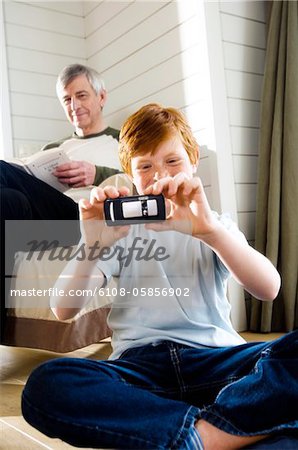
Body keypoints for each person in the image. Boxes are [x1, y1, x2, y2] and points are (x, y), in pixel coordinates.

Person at [21, 104, 298, 449]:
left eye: (172, 161)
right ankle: (220, 430)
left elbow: (269, 289)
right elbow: (63, 309)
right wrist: (92, 245)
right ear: (131, 174)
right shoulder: (117, 233)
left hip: (218, 361)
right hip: (140, 371)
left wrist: (210, 232)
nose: (159, 175)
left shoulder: (214, 225)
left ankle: (188, 435)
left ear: (193, 159)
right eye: (145, 166)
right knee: (46, 385)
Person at [0, 64, 122, 342]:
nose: (74, 105)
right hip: (42, 223)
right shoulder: (54, 149)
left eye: (81, 95)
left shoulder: (121, 141)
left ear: (101, 97)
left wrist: (96, 173)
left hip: (86, 222)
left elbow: (143, 180)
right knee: (7, 200)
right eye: (67, 99)